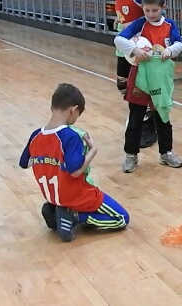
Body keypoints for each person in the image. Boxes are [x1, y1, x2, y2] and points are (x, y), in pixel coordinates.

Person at [19, 83, 129, 242]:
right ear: (73, 110)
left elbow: (24, 163)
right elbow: (75, 171)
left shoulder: (36, 135)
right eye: (78, 114)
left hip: (53, 195)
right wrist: (93, 150)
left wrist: (48, 159)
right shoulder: (70, 136)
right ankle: (74, 215)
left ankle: (57, 208)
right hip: (78, 196)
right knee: (122, 218)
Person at [114, 0, 182, 173]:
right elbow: (119, 40)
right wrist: (135, 50)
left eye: (155, 10)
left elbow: (179, 44)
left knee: (162, 116)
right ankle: (131, 155)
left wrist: (170, 50)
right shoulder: (139, 24)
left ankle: (166, 152)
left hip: (160, 79)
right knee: (136, 117)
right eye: (147, 10)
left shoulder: (169, 25)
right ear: (142, 8)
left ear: (163, 7)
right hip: (140, 79)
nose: (151, 14)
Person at [100, 0, 158, 148]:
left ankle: (146, 116)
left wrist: (135, 24)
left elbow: (153, 12)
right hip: (124, 47)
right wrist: (120, 21)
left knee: (140, 87)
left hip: (138, 48)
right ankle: (139, 111)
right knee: (122, 84)